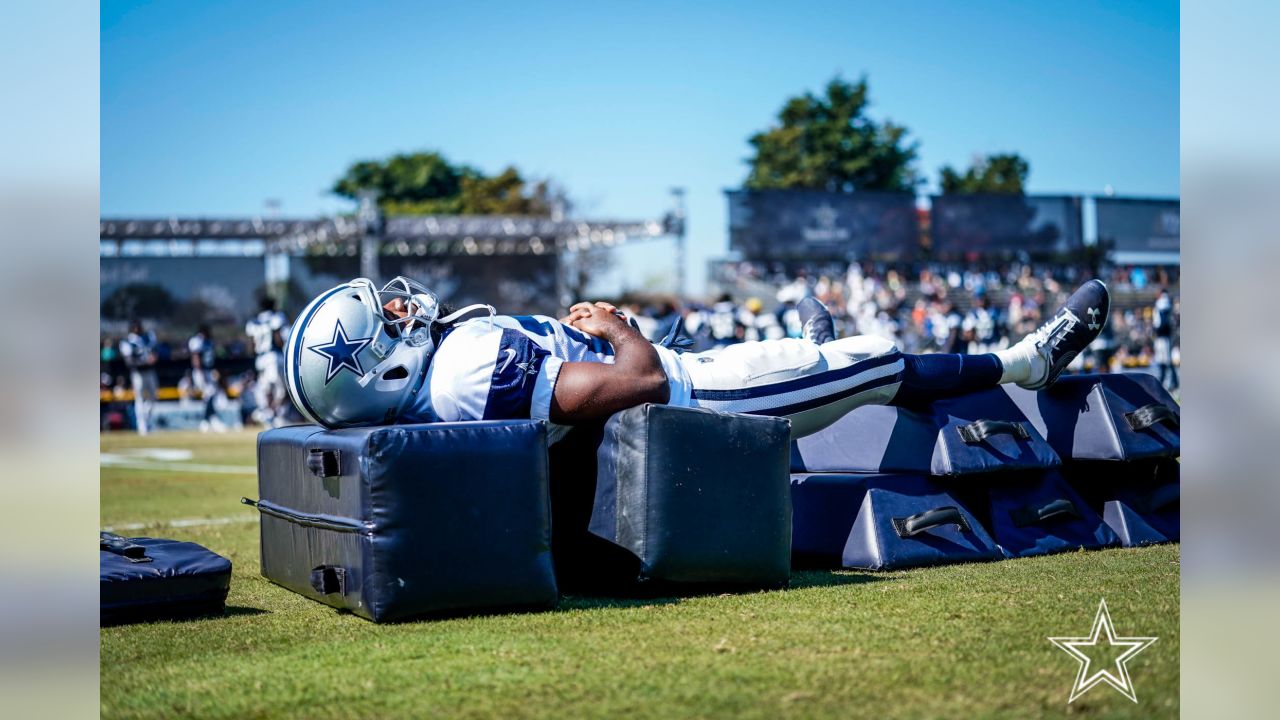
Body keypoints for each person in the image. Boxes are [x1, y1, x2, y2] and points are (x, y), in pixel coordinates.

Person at [283, 276, 1112, 443]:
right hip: (707, 401)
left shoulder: (440, 393)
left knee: (834, 363)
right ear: (377, 365)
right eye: (386, 319)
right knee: (882, 360)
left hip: (701, 389)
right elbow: (640, 380)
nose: (404, 308)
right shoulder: (465, 365)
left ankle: (814, 360)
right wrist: (615, 324)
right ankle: (1024, 362)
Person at [246, 297, 290, 427]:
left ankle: (269, 414)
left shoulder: (254, 321)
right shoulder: (277, 317)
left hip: (260, 358)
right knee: (282, 389)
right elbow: (278, 338)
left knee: (266, 389)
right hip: (273, 357)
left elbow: (252, 345)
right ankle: (273, 414)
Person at [119, 319, 159, 435]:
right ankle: (142, 426)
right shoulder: (127, 342)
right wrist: (146, 361)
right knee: (140, 399)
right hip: (138, 373)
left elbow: (154, 351)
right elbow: (130, 362)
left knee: (153, 397)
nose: (139, 329)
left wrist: (153, 357)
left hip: (150, 372)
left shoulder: (147, 337)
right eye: (136, 327)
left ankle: (145, 418)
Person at [188, 324, 226, 432]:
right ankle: (207, 420)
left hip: (208, 370)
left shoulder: (209, 342)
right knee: (210, 393)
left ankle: (208, 420)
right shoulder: (197, 341)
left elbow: (212, 358)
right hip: (201, 371)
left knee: (210, 395)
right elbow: (196, 358)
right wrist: (202, 373)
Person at [1152, 288, 1179, 391]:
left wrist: (1157, 329)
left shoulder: (1162, 303)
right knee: (1165, 360)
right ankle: (1171, 382)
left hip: (1163, 337)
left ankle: (1169, 382)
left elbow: (1161, 323)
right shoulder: (1165, 304)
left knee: (1165, 361)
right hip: (1164, 337)